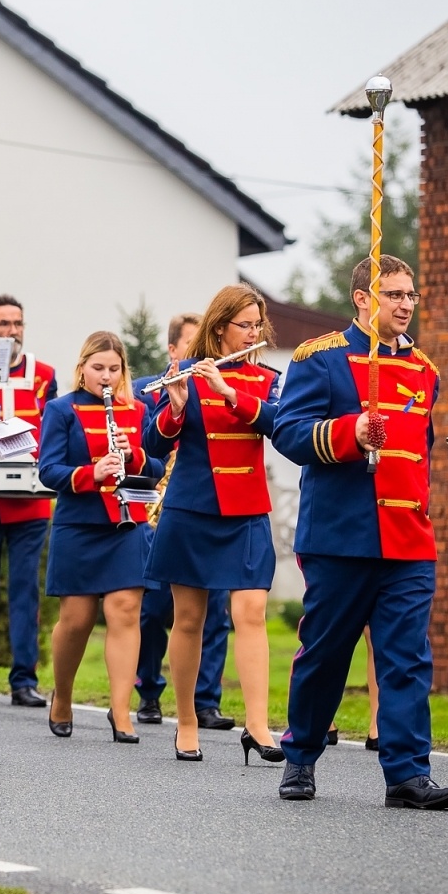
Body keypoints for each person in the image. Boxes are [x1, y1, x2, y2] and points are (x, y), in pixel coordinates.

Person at [270, 256, 448, 810]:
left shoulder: (426, 370)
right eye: (393, 294)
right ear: (362, 298)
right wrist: (350, 430)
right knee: (326, 653)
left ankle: (407, 774)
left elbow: (419, 453)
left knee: (406, 657)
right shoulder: (322, 358)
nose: (405, 304)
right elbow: (288, 432)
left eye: (411, 296)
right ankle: (301, 756)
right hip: (340, 536)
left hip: (408, 538)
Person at [146, 285, 284, 765]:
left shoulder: (267, 377)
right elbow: (154, 444)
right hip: (192, 508)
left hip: (246, 509)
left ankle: (259, 725)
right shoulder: (185, 372)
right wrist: (178, 405)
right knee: (189, 619)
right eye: (244, 324)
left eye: (256, 325)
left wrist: (229, 393)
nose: (252, 332)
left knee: (250, 614)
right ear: (220, 326)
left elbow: (278, 426)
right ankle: (186, 721)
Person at [37, 332, 150, 742]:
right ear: (82, 368)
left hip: (127, 523)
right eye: (98, 368)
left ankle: (121, 711)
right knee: (77, 619)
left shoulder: (137, 410)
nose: (106, 377)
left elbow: (154, 461)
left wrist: (133, 454)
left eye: (114, 369)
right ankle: (62, 696)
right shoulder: (60, 410)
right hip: (79, 523)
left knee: (125, 611)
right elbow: (48, 470)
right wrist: (90, 473)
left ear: (123, 372)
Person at [132, 312, 234, 731]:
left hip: (213, 510)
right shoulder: (145, 390)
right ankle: (150, 690)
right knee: (155, 609)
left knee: (217, 610)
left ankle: (205, 701)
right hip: (164, 509)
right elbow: (147, 450)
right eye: (191, 348)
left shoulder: (219, 383)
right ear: (173, 350)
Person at [0, 295, 56, 710]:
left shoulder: (45, 374)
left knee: (24, 590)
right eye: (3, 324)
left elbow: (53, 429)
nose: (12, 331)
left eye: (17, 323)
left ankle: (24, 679)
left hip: (29, 498)